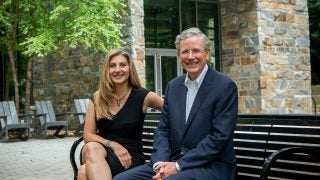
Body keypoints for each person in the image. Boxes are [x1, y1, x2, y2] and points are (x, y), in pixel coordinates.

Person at [113, 27, 238, 180]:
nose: (190, 56)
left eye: (196, 51)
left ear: (207, 53)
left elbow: (219, 138)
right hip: (173, 162)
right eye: (185, 52)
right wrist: (160, 163)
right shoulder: (173, 87)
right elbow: (163, 131)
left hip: (212, 166)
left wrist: (179, 166)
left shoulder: (224, 86)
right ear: (178, 55)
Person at [77, 48, 164, 180]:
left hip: (129, 157)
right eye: (112, 66)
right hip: (100, 152)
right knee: (91, 148)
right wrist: (113, 144)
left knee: (84, 172)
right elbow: (88, 135)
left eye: (122, 65)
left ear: (130, 68)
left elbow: (174, 109)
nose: (117, 70)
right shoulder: (98, 98)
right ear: (107, 70)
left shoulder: (143, 96)